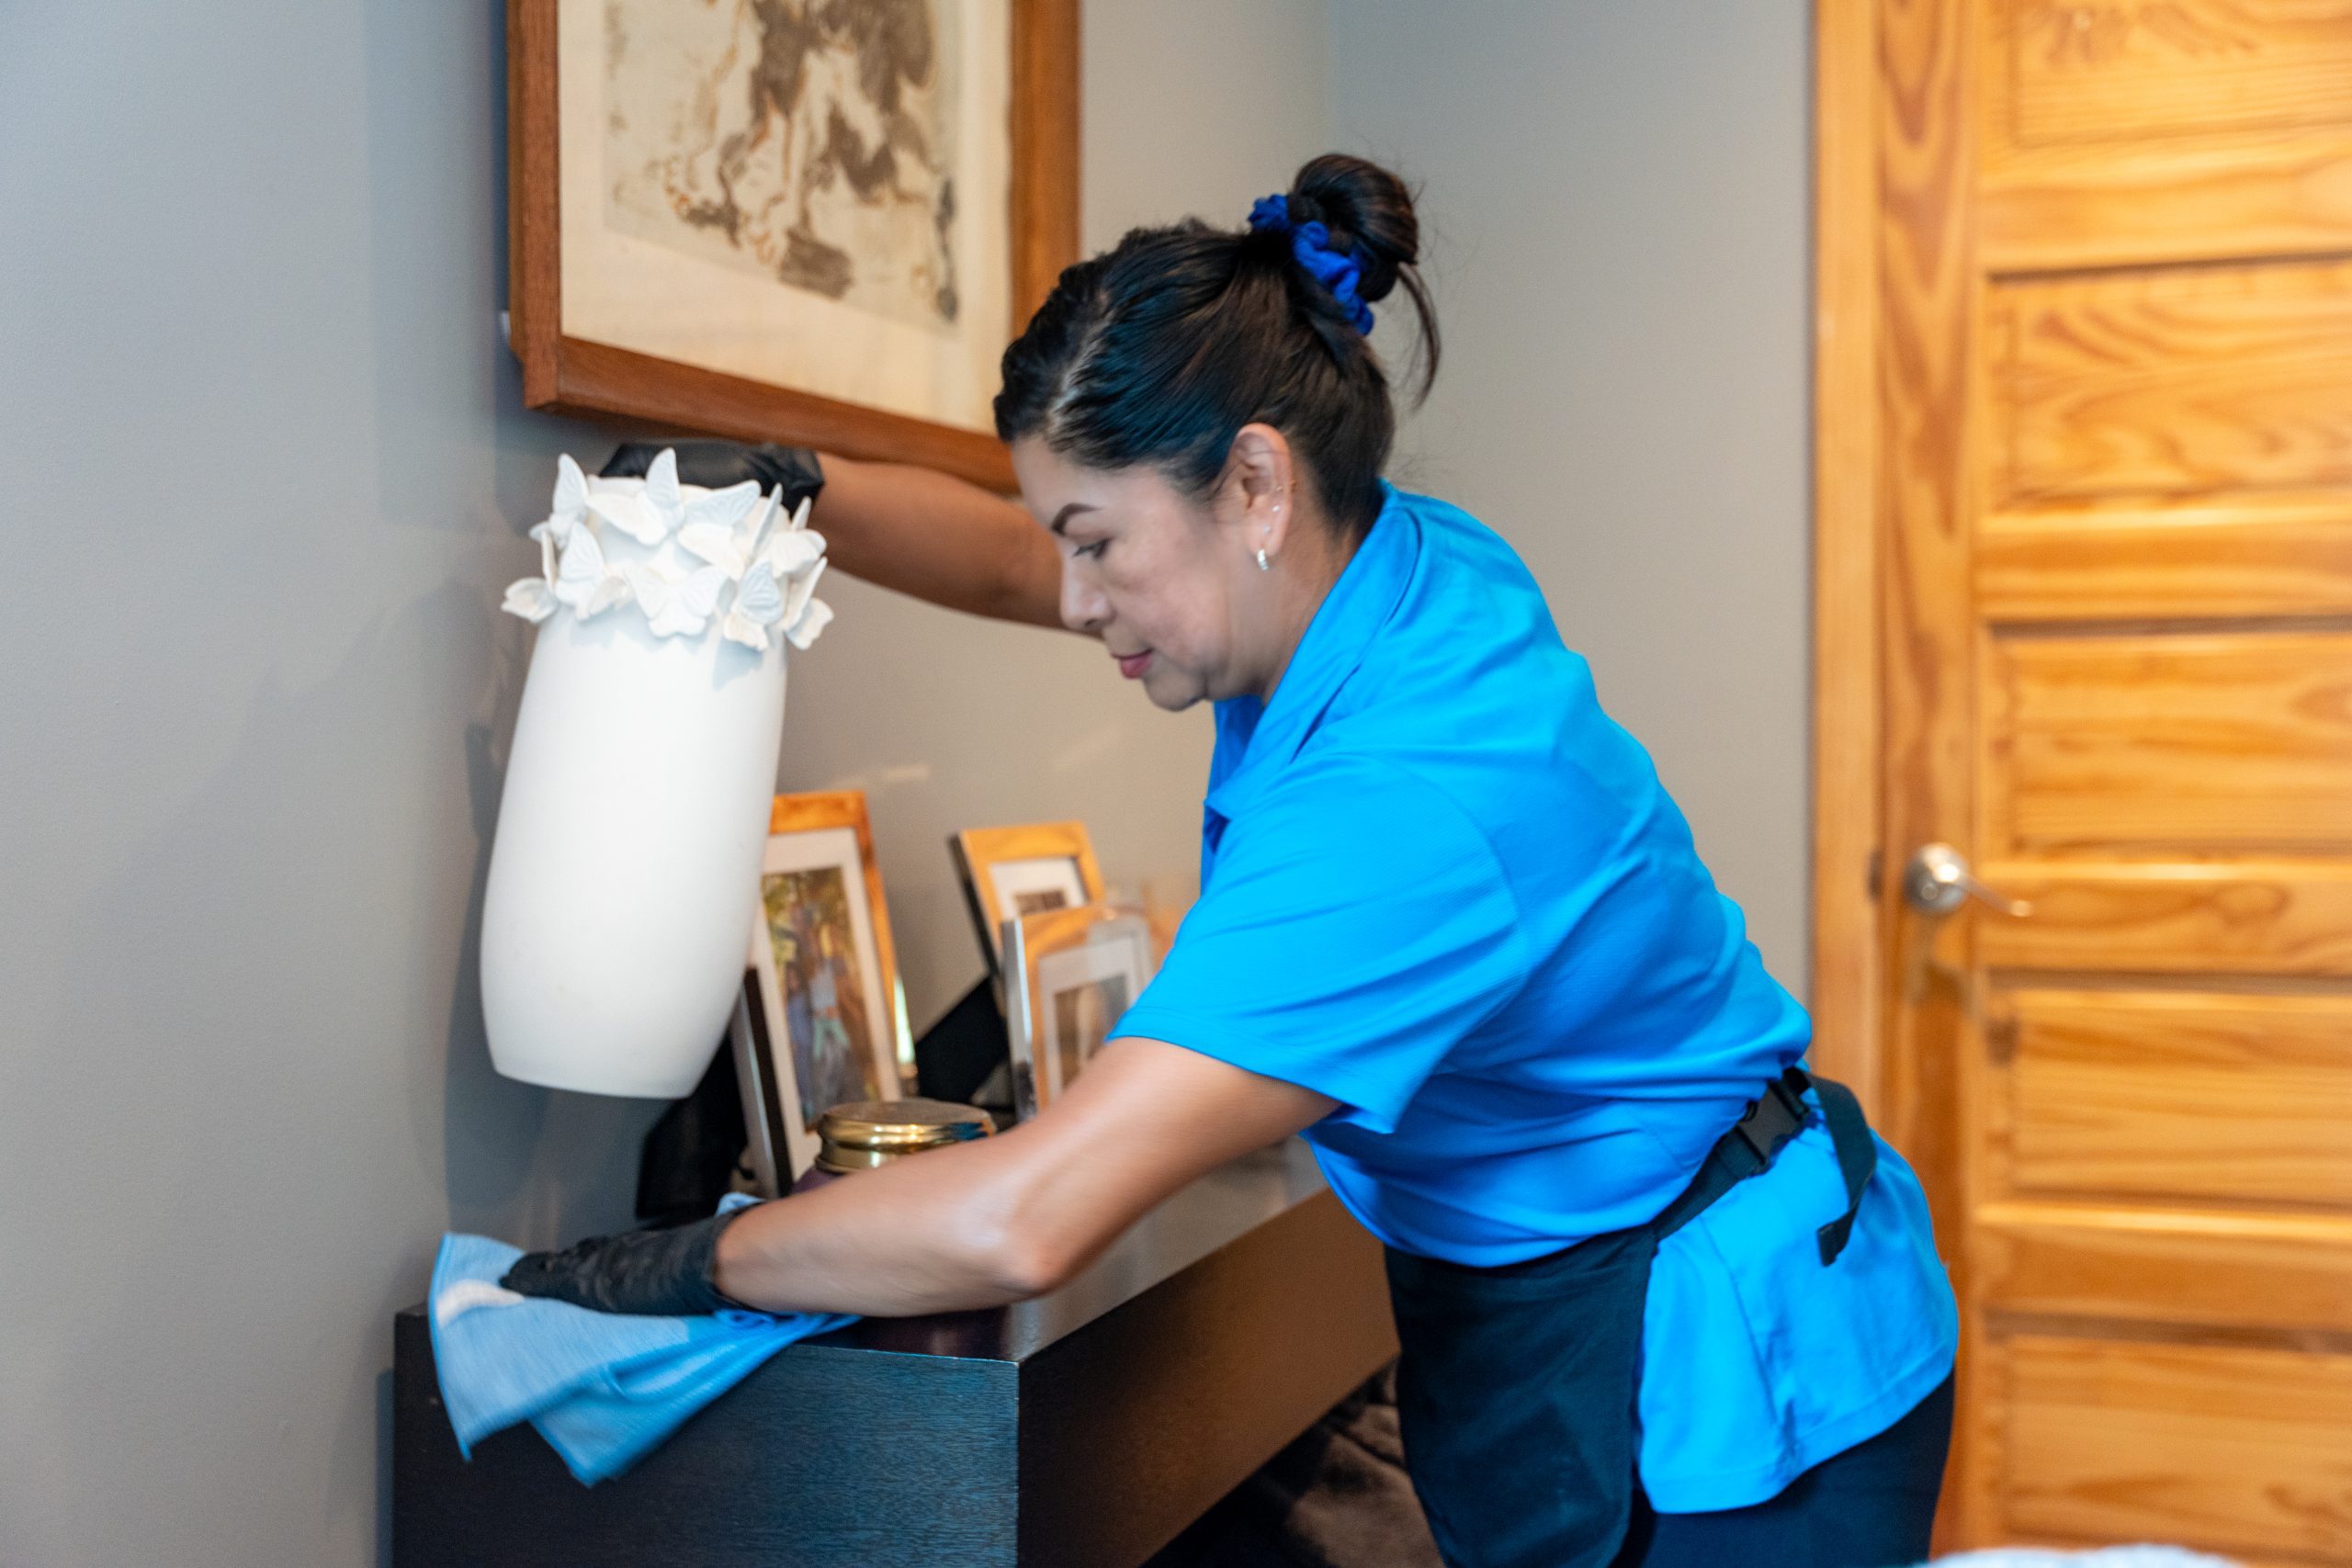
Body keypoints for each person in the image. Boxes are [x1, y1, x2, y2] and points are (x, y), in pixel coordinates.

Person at [503, 153, 1959, 1568]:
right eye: (1068, 541)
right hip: (1592, 1266)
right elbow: (1024, 563)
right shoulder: (1375, 558)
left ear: (1255, 484)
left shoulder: (1402, 803)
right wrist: (797, 490)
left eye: (1097, 543)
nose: (1077, 600)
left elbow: (1023, 1220)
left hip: (1728, 1369)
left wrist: (680, 1266)